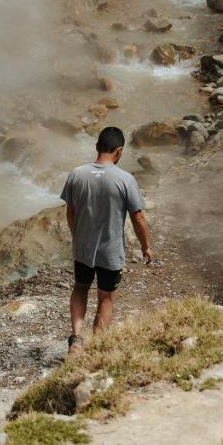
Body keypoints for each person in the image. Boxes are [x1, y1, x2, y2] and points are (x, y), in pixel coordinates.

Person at [60, 126, 153, 348]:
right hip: (110, 252)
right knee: (106, 297)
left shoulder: (77, 174)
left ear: (96, 147)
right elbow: (137, 216)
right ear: (119, 151)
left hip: (83, 248)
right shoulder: (125, 179)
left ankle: (76, 338)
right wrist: (146, 246)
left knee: (80, 287)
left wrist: (77, 236)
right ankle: (96, 346)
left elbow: (70, 211)